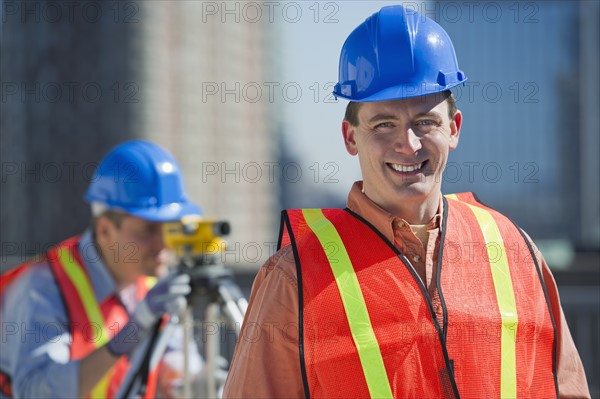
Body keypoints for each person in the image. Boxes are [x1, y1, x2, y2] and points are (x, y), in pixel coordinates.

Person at [222, 5, 590, 399]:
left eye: (425, 122)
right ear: (350, 137)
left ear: (454, 129)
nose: (408, 144)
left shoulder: (515, 252)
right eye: (384, 124)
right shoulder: (293, 277)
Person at [0, 140, 203, 398]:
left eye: (170, 228)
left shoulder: (151, 285)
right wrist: (129, 334)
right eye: (149, 230)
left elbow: (175, 364)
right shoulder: (43, 289)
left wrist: (192, 381)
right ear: (105, 229)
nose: (164, 244)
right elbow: (36, 392)